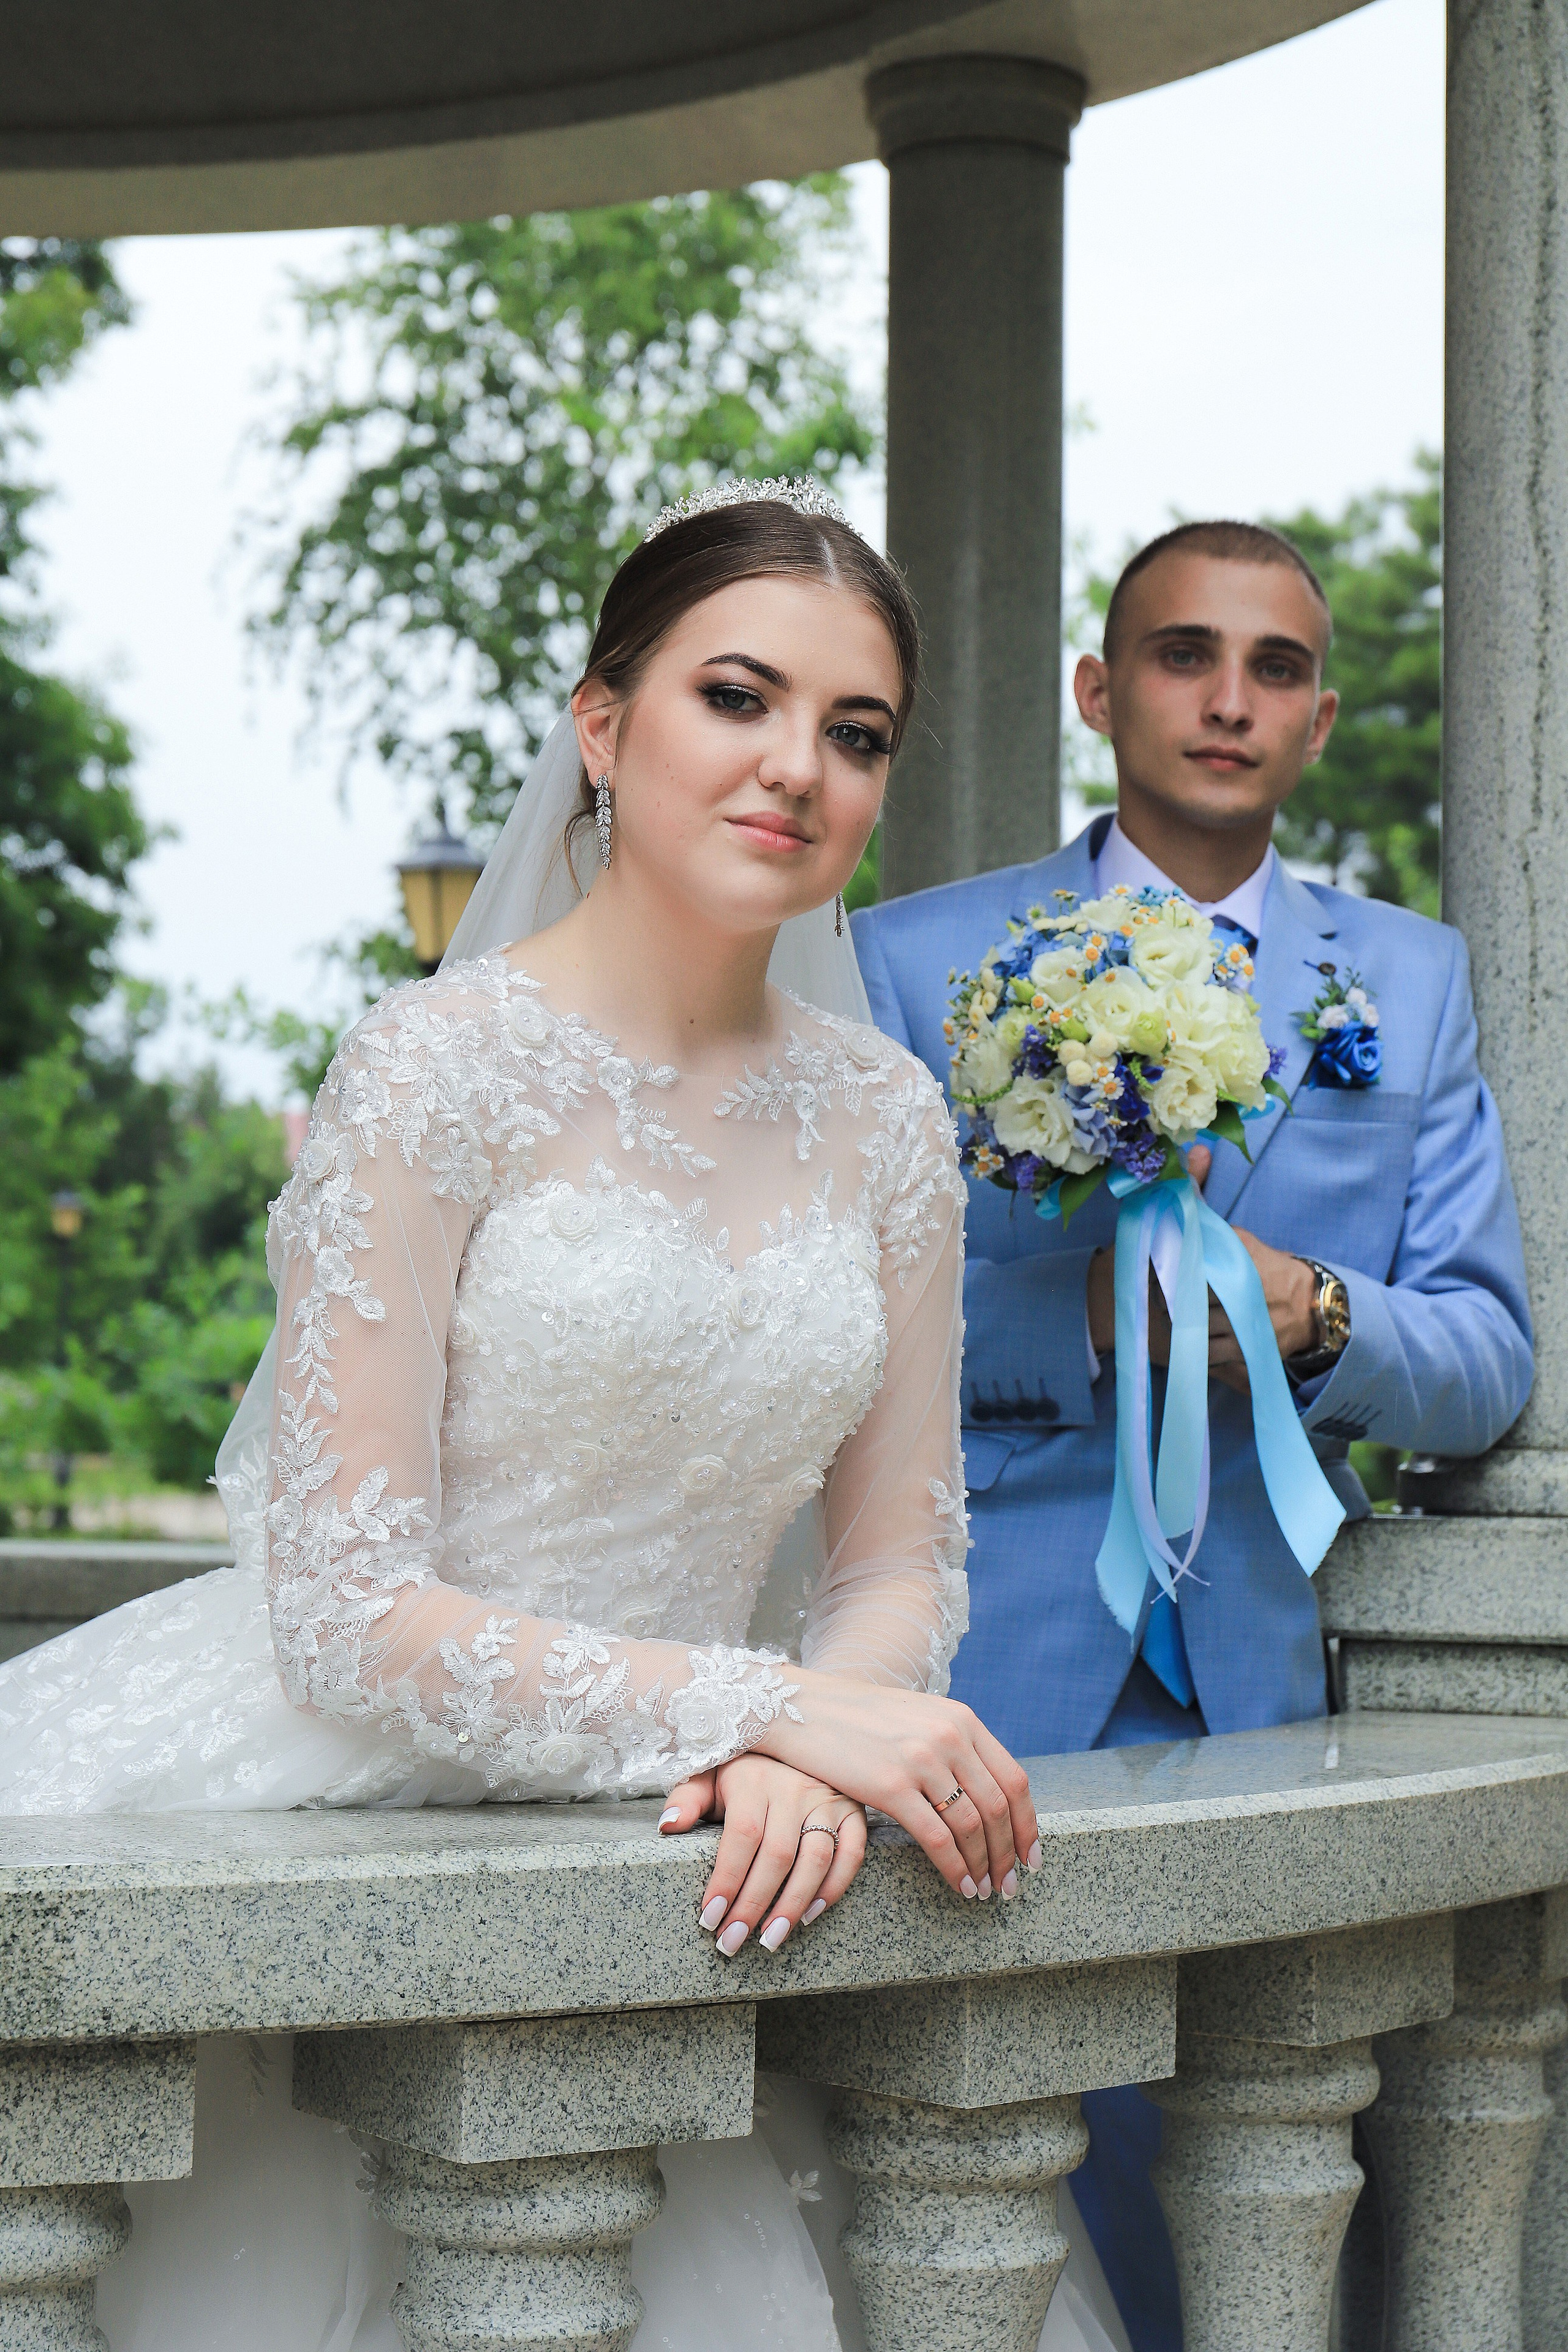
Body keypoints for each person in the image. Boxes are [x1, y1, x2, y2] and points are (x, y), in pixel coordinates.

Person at [0, 480, 1121, 2352]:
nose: (798, 770)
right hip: (323, 1796)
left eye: (856, 736)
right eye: (736, 699)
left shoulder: (887, 1124)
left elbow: (900, 1547)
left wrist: (816, 1740)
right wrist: (768, 1705)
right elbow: (349, 1615)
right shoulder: (433, 1068)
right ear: (602, 726)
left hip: (673, 1832)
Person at [850, 518, 1533, 2352]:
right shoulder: (914, 965)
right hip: (980, 1693)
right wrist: (1072, 1322)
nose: (1231, 698)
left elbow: (1486, 1357)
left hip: (1271, 1693)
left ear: (1316, 721)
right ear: (1100, 690)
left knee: (1251, 2238)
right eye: (1182, 653)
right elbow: (833, 1341)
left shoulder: (1408, 982)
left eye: (1279, 668)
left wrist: (1317, 1319)